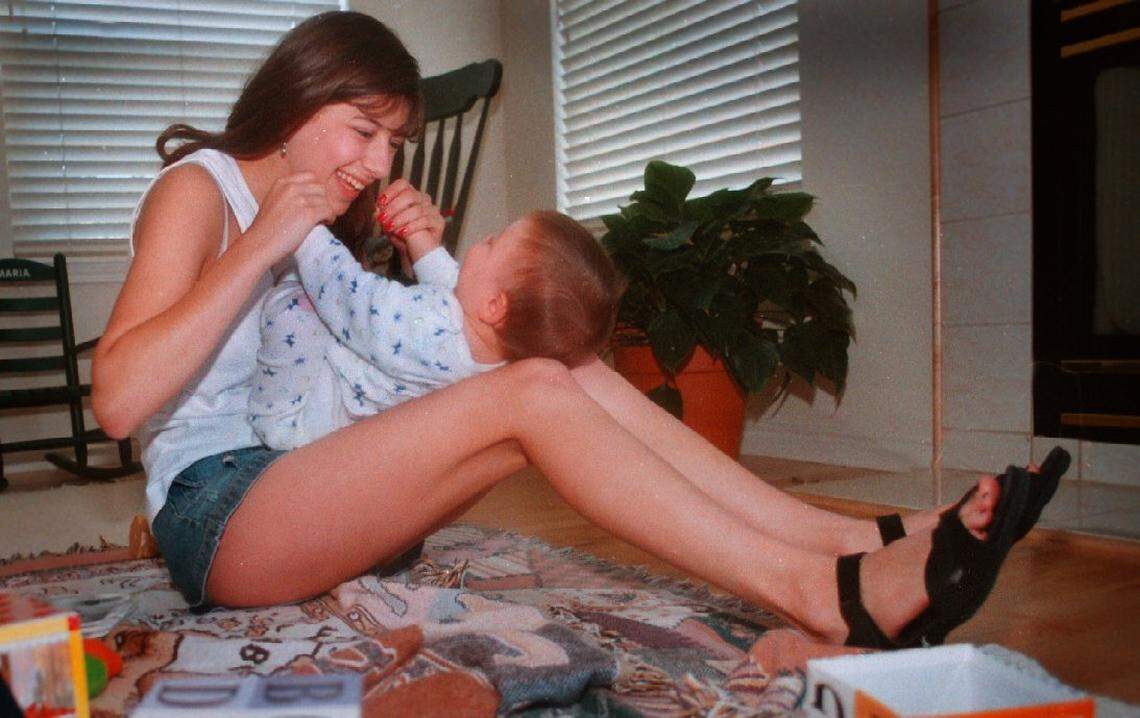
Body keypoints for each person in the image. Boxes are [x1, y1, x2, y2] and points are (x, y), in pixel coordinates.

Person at [92, 10, 1067, 650]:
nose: (382, 159)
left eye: (395, 140)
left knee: (565, 363)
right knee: (531, 393)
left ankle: (858, 542)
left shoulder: (318, 223)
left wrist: (376, 244)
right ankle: (821, 594)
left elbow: (424, 340)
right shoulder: (203, 190)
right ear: (300, 97)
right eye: (365, 130)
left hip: (314, 487)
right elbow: (118, 400)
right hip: (219, 512)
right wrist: (259, 243)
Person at [249, 210, 620, 450]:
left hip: (309, 417)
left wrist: (308, 231)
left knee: (296, 303)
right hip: (355, 428)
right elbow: (456, 286)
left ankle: (272, 419)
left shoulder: (430, 328)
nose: (480, 242)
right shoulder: (491, 348)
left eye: (492, 242)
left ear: (494, 306)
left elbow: (355, 299)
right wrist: (421, 242)